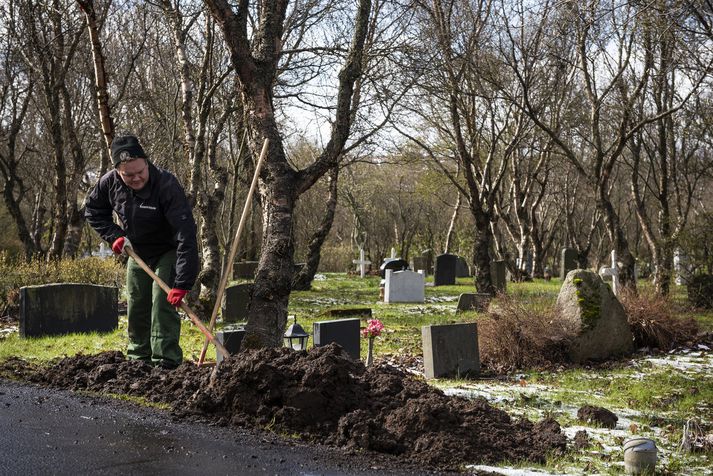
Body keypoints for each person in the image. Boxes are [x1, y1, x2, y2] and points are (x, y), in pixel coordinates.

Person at [85, 134, 198, 368]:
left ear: (147, 163)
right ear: (118, 172)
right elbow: (94, 211)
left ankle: (166, 361)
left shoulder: (166, 184)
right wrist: (115, 236)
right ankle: (139, 360)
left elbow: (186, 233)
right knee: (137, 303)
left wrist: (182, 282)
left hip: (169, 249)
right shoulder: (109, 183)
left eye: (140, 172)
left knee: (162, 300)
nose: (136, 178)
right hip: (137, 250)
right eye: (129, 175)